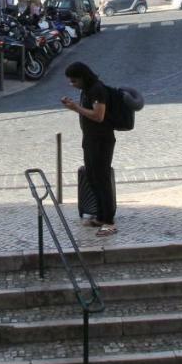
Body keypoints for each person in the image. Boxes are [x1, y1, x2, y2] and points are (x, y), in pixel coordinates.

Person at [61, 62, 117, 235]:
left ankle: (109, 221)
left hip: (102, 140)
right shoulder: (87, 90)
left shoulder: (97, 90)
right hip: (90, 139)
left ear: (83, 77)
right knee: (93, 177)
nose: (72, 84)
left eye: (74, 81)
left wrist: (75, 108)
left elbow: (99, 116)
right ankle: (100, 216)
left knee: (102, 179)